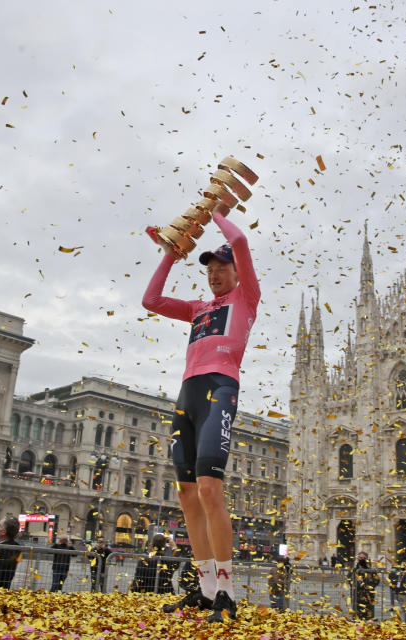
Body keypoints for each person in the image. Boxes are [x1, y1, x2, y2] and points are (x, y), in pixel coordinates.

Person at [143, 207, 261, 623]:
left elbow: (241, 242)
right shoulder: (197, 309)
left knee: (210, 488)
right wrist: (169, 255)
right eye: (209, 268)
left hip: (219, 389)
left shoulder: (246, 298)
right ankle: (207, 588)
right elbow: (151, 300)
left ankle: (227, 590)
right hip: (187, 394)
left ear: (235, 272)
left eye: (221, 266)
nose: (214, 274)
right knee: (186, 493)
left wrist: (215, 213)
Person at [351, 551, 379, 620]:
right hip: (357, 597)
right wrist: (357, 582)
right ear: (358, 559)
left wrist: (367, 584)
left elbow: (377, 581)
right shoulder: (354, 570)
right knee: (357, 618)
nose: (362, 559)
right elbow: (350, 581)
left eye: (364, 558)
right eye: (360, 558)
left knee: (369, 618)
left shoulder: (371, 570)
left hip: (369, 597)